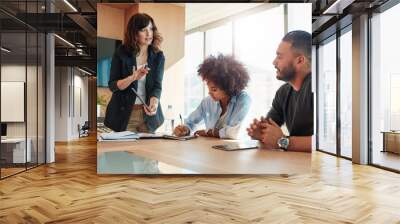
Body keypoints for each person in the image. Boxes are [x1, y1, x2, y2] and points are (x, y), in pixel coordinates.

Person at [247, 30, 313, 152]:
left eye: (280, 56)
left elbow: (327, 143)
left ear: (300, 61)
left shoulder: (316, 87)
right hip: (293, 164)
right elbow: (268, 130)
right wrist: (261, 133)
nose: (274, 62)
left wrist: (283, 141)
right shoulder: (283, 92)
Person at [104, 13, 165, 133]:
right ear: (134, 33)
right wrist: (133, 77)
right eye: (143, 30)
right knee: (123, 152)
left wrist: (154, 103)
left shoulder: (158, 56)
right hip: (124, 114)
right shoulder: (121, 52)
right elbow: (113, 85)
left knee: (146, 152)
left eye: (151, 28)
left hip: (148, 117)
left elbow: (157, 87)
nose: (149, 33)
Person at [173, 54, 251, 139]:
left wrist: (210, 132)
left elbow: (232, 133)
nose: (209, 93)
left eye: (214, 89)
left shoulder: (243, 100)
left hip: (236, 150)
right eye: (208, 88)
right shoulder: (207, 102)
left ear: (227, 87)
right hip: (211, 149)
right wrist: (185, 129)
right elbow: (191, 122)